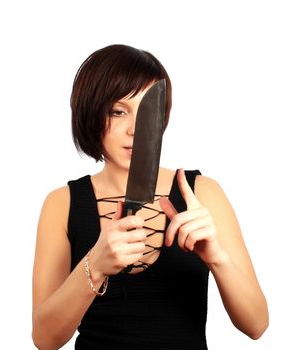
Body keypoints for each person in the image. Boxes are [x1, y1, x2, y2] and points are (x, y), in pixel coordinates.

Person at [32, 44, 269, 350]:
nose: (135, 129)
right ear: (91, 112)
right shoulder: (61, 204)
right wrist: (96, 264)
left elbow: (257, 325)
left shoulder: (202, 193)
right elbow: (44, 339)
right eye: (118, 111)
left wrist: (216, 258)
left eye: (147, 110)